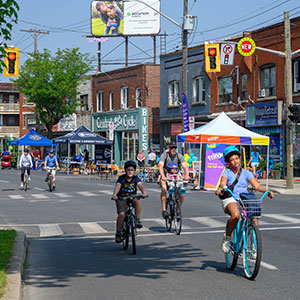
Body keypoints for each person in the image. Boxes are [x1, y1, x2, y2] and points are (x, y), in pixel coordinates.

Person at [216, 146, 274, 254]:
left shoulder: (247, 173)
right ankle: (227, 238)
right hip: (230, 197)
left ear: (240, 158)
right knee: (236, 215)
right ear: (228, 162)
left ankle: (253, 246)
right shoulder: (227, 173)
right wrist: (221, 188)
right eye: (232, 160)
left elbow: (256, 186)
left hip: (244, 198)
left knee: (254, 217)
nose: (235, 161)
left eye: (236, 158)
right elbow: (223, 183)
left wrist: (267, 191)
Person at [112, 160, 147, 243]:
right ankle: (118, 233)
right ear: (125, 171)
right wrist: (115, 195)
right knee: (122, 214)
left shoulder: (135, 178)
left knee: (137, 200)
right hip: (121, 198)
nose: (130, 172)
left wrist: (144, 193)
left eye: (132, 170)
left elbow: (140, 185)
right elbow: (118, 186)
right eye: (128, 170)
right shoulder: (122, 178)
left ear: (134, 171)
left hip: (132, 197)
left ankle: (137, 220)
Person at [158, 141, 190, 219]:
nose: (173, 149)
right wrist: (162, 176)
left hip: (176, 175)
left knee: (181, 194)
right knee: (164, 190)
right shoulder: (164, 155)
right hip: (166, 175)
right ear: (168, 148)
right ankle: (164, 210)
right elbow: (160, 166)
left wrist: (187, 175)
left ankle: (178, 210)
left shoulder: (179, 156)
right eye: (171, 148)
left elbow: (185, 166)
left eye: (175, 148)